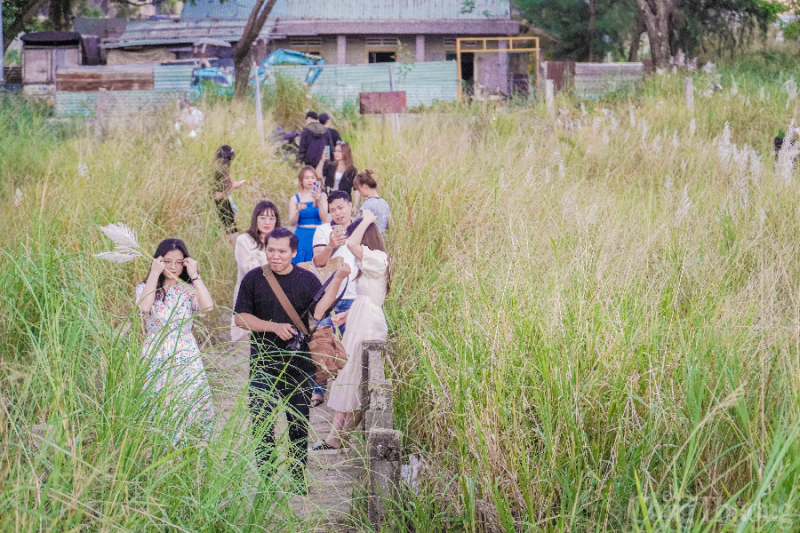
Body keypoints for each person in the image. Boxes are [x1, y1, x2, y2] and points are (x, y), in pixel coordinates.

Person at [234, 227, 350, 489]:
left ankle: (298, 477)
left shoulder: (306, 280)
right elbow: (240, 318)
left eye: (282, 251)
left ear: (294, 253)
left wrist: (339, 278)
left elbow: (319, 312)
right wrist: (272, 326)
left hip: (299, 364)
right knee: (261, 420)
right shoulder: (253, 279)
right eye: (271, 250)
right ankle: (265, 476)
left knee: (298, 421)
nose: (276, 256)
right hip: (263, 361)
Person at [313, 210, 389, 450]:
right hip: (361, 316)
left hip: (368, 322)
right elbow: (370, 294)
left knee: (355, 377)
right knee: (349, 375)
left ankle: (336, 438)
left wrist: (367, 219)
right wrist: (350, 311)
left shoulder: (377, 257)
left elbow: (352, 242)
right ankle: (337, 437)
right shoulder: (370, 260)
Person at [135, 238, 215, 440]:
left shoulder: (187, 289)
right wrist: (154, 273)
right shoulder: (146, 287)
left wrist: (194, 275)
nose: (173, 267)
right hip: (157, 351)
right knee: (159, 402)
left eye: (179, 262)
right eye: (167, 261)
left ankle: (189, 447)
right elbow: (144, 308)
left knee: (188, 399)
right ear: (158, 261)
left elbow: (207, 307)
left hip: (185, 351)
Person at [308, 190, 359, 407]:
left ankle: (348, 391)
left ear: (350, 206)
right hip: (327, 297)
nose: (338, 213)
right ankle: (318, 390)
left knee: (351, 344)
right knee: (322, 344)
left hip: (354, 296)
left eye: (341, 207)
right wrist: (331, 245)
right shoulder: (322, 230)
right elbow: (318, 262)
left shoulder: (360, 229)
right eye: (333, 209)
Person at [231, 201, 281, 341]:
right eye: (263, 217)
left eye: (272, 218)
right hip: (251, 296)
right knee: (252, 341)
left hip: (275, 295)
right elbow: (247, 269)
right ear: (255, 219)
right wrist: (265, 252)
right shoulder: (244, 240)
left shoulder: (281, 240)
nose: (267, 222)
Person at [289, 166, 329, 264]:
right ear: (301, 180)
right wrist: (297, 211)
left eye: (312, 177)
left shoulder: (322, 196)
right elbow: (291, 222)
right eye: (306, 178)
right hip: (301, 234)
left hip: (317, 233)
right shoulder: (295, 198)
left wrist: (319, 201)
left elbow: (324, 218)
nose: (310, 180)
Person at [212, 145, 245, 245]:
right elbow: (218, 195)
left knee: (232, 230)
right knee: (231, 231)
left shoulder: (221, 170)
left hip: (225, 204)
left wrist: (233, 184)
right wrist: (233, 186)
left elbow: (224, 187)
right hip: (222, 205)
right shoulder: (219, 171)